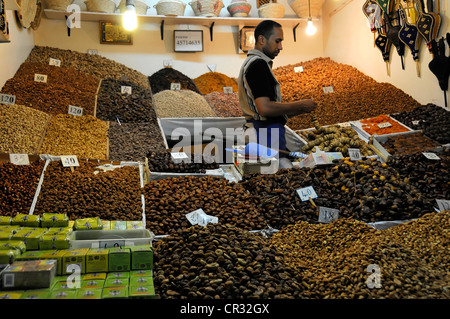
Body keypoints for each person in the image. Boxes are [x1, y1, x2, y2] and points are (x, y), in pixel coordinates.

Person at [237, 20, 317, 167]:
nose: (280, 47)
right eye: (277, 41)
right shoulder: (258, 65)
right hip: (265, 134)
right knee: (279, 178)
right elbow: (265, 109)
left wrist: (300, 109)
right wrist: (299, 104)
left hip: (263, 133)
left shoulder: (253, 62)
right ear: (262, 40)